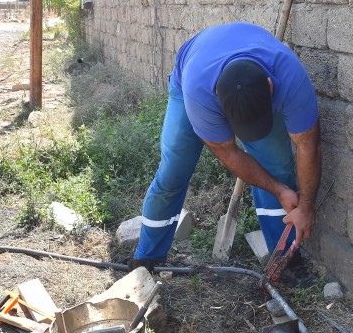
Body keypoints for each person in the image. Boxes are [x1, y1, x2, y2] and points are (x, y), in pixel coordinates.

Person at [131, 22, 322, 275]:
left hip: (243, 65)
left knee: (276, 167)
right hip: (192, 75)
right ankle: (147, 260)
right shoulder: (200, 92)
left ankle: (285, 261)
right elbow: (227, 152)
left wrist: (305, 205)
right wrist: (277, 190)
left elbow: (308, 146)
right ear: (220, 105)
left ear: (271, 87)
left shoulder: (291, 78)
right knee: (173, 171)